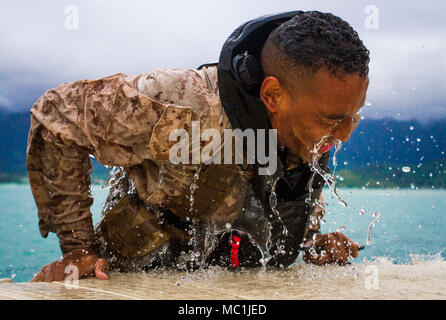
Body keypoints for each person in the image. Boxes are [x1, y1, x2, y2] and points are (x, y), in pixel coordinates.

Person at [26, 11, 369, 282]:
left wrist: (313, 240)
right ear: (273, 96)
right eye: (333, 120)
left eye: (353, 117)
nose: (345, 134)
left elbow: (284, 188)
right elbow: (57, 114)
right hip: (135, 272)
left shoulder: (314, 124)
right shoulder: (185, 103)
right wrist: (78, 249)